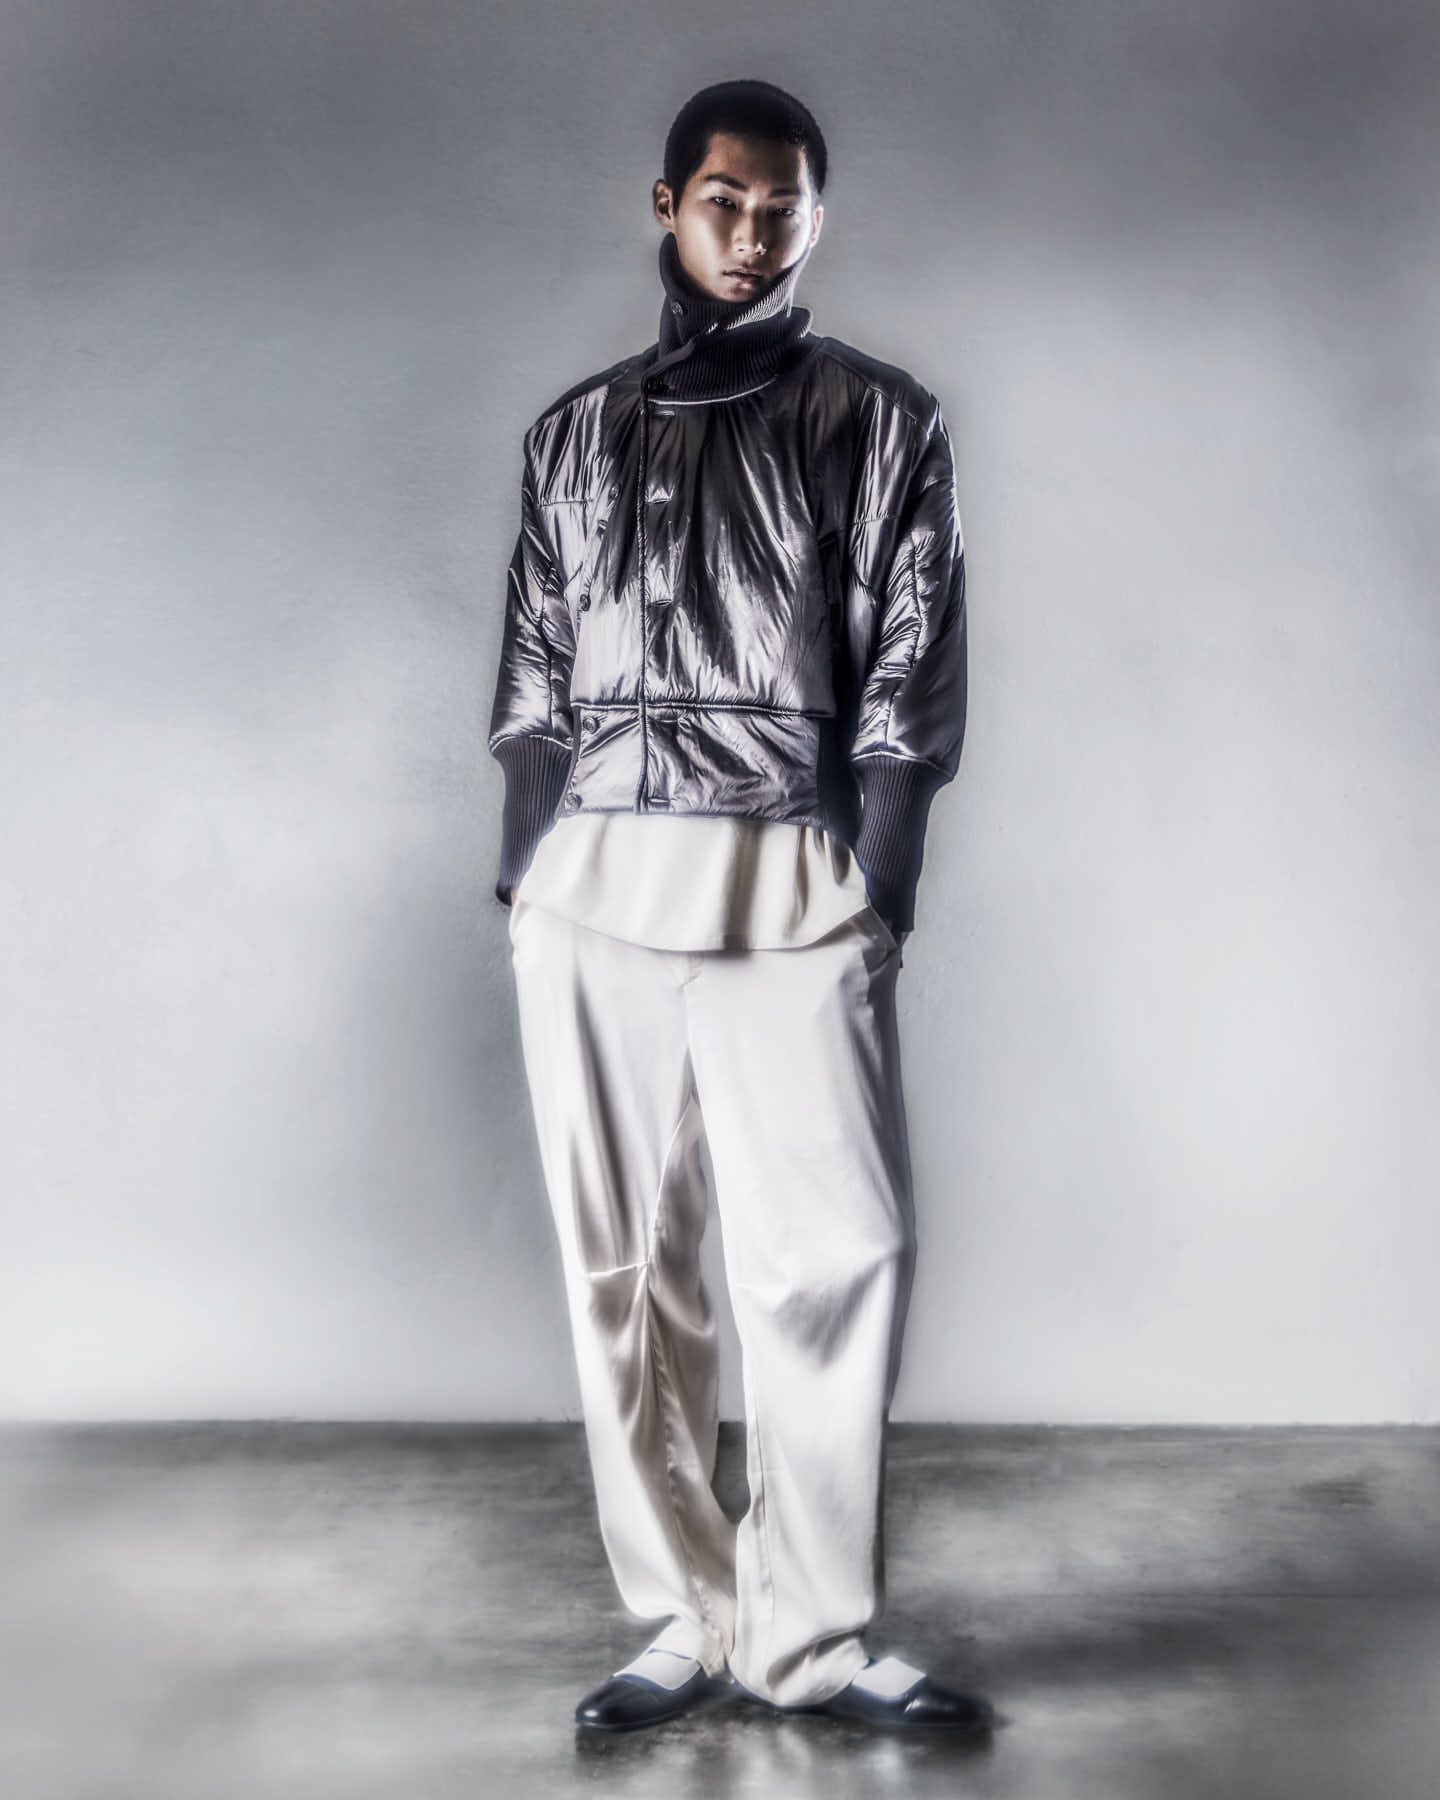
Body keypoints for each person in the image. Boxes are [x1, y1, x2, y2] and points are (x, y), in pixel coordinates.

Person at [487, 78, 989, 1736]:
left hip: (793, 872)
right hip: (593, 887)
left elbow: (911, 660)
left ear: (816, 222)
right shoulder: (571, 435)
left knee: (837, 1251)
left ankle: (813, 1638)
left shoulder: (882, 419)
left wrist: (881, 876)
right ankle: (686, 1615)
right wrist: (526, 872)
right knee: (624, 1268)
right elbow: (533, 671)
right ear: (669, 204)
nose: (753, 232)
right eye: (725, 199)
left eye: (783, 209)